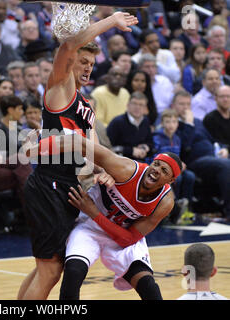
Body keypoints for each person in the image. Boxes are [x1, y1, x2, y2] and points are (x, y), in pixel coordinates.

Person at [17, 11, 138, 300]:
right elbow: (69, 47)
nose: (87, 68)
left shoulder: (87, 104)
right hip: (49, 184)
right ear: (69, 63)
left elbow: (94, 151)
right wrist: (111, 21)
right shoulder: (60, 87)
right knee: (50, 270)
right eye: (83, 62)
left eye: (92, 63)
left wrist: (104, 170)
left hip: (68, 187)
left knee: (45, 268)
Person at [23, 132, 180, 300]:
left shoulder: (165, 202)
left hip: (121, 235)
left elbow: (128, 239)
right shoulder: (125, 169)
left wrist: (95, 212)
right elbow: (81, 144)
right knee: (73, 274)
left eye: (163, 170)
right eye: (155, 164)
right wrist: (33, 150)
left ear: (170, 181)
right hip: (90, 227)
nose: (156, 170)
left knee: (149, 287)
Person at [171, 90, 230, 221]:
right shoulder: (174, 123)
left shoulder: (197, 122)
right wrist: (188, 125)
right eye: (181, 104)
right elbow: (185, 147)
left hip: (213, 157)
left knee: (225, 162)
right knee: (226, 165)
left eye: (188, 104)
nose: (185, 107)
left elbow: (212, 140)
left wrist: (224, 148)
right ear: (173, 105)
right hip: (195, 161)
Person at [152, 109, 196, 224]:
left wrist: (181, 163)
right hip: (162, 169)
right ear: (162, 123)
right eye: (167, 122)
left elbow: (177, 156)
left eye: (174, 122)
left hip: (175, 167)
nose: (171, 125)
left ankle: (185, 206)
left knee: (190, 176)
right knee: (178, 178)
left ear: (177, 123)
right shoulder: (157, 137)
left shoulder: (177, 138)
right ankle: (172, 208)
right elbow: (157, 157)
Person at [106, 91, 154, 162]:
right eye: (134, 103)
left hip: (141, 162)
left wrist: (145, 147)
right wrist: (131, 151)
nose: (137, 107)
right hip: (120, 162)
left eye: (141, 105)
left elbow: (150, 143)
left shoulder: (146, 121)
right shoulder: (117, 122)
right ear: (128, 105)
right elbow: (108, 148)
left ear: (145, 108)